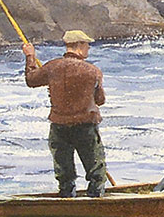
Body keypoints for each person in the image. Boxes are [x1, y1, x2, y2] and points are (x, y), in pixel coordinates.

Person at [23, 29, 108, 197]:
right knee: (96, 171)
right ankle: (96, 199)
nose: (88, 48)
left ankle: (66, 200)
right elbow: (100, 100)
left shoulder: (52, 67)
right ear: (79, 46)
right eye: (87, 45)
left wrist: (30, 56)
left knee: (64, 174)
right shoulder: (93, 71)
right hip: (85, 126)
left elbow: (31, 80)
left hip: (59, 126)